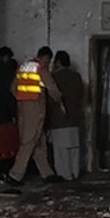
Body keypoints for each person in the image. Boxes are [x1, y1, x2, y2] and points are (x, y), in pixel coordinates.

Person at [5, 46, 65, 185]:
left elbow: (12, 88)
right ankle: (15, 175)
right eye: (48, 61)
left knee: (39, 142)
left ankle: (47, 174)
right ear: (45, 58)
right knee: (29, 141)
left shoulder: (23, 67)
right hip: (35, 108)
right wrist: (60, 101)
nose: (48, 64)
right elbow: (52, 88)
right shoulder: (40, 69)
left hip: (23, 108)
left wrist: (22, 99)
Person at [48, 51, 85, 180]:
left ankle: (65, 174)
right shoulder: (76, 76)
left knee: (61, 150)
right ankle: (75, 172)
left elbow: (51, 100)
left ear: (58, 62)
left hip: (59, 119)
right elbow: (81, 96)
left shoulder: (54, 78)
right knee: (74, 148)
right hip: (74, 118)